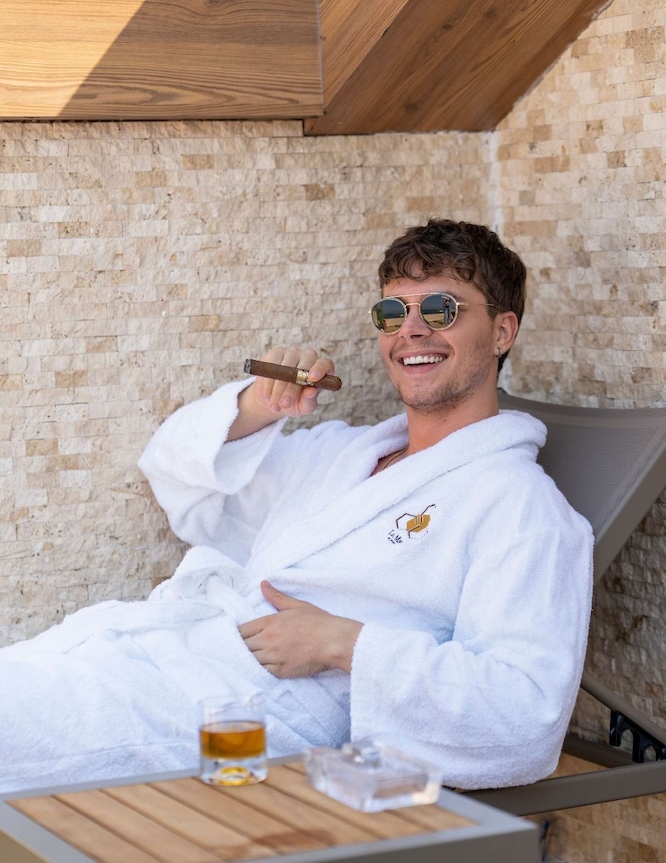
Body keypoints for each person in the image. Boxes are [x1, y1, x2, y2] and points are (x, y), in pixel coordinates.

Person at [0, 219, 593, 795]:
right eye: (392, 312)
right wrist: (260, 404)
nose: (411, 330)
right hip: (153, 664)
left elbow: (524, 716)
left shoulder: (521, 508)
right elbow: (179, 481)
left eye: (441, 309)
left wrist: (341, 643)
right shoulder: (341, 457)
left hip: (241, 722)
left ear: (502, 332)